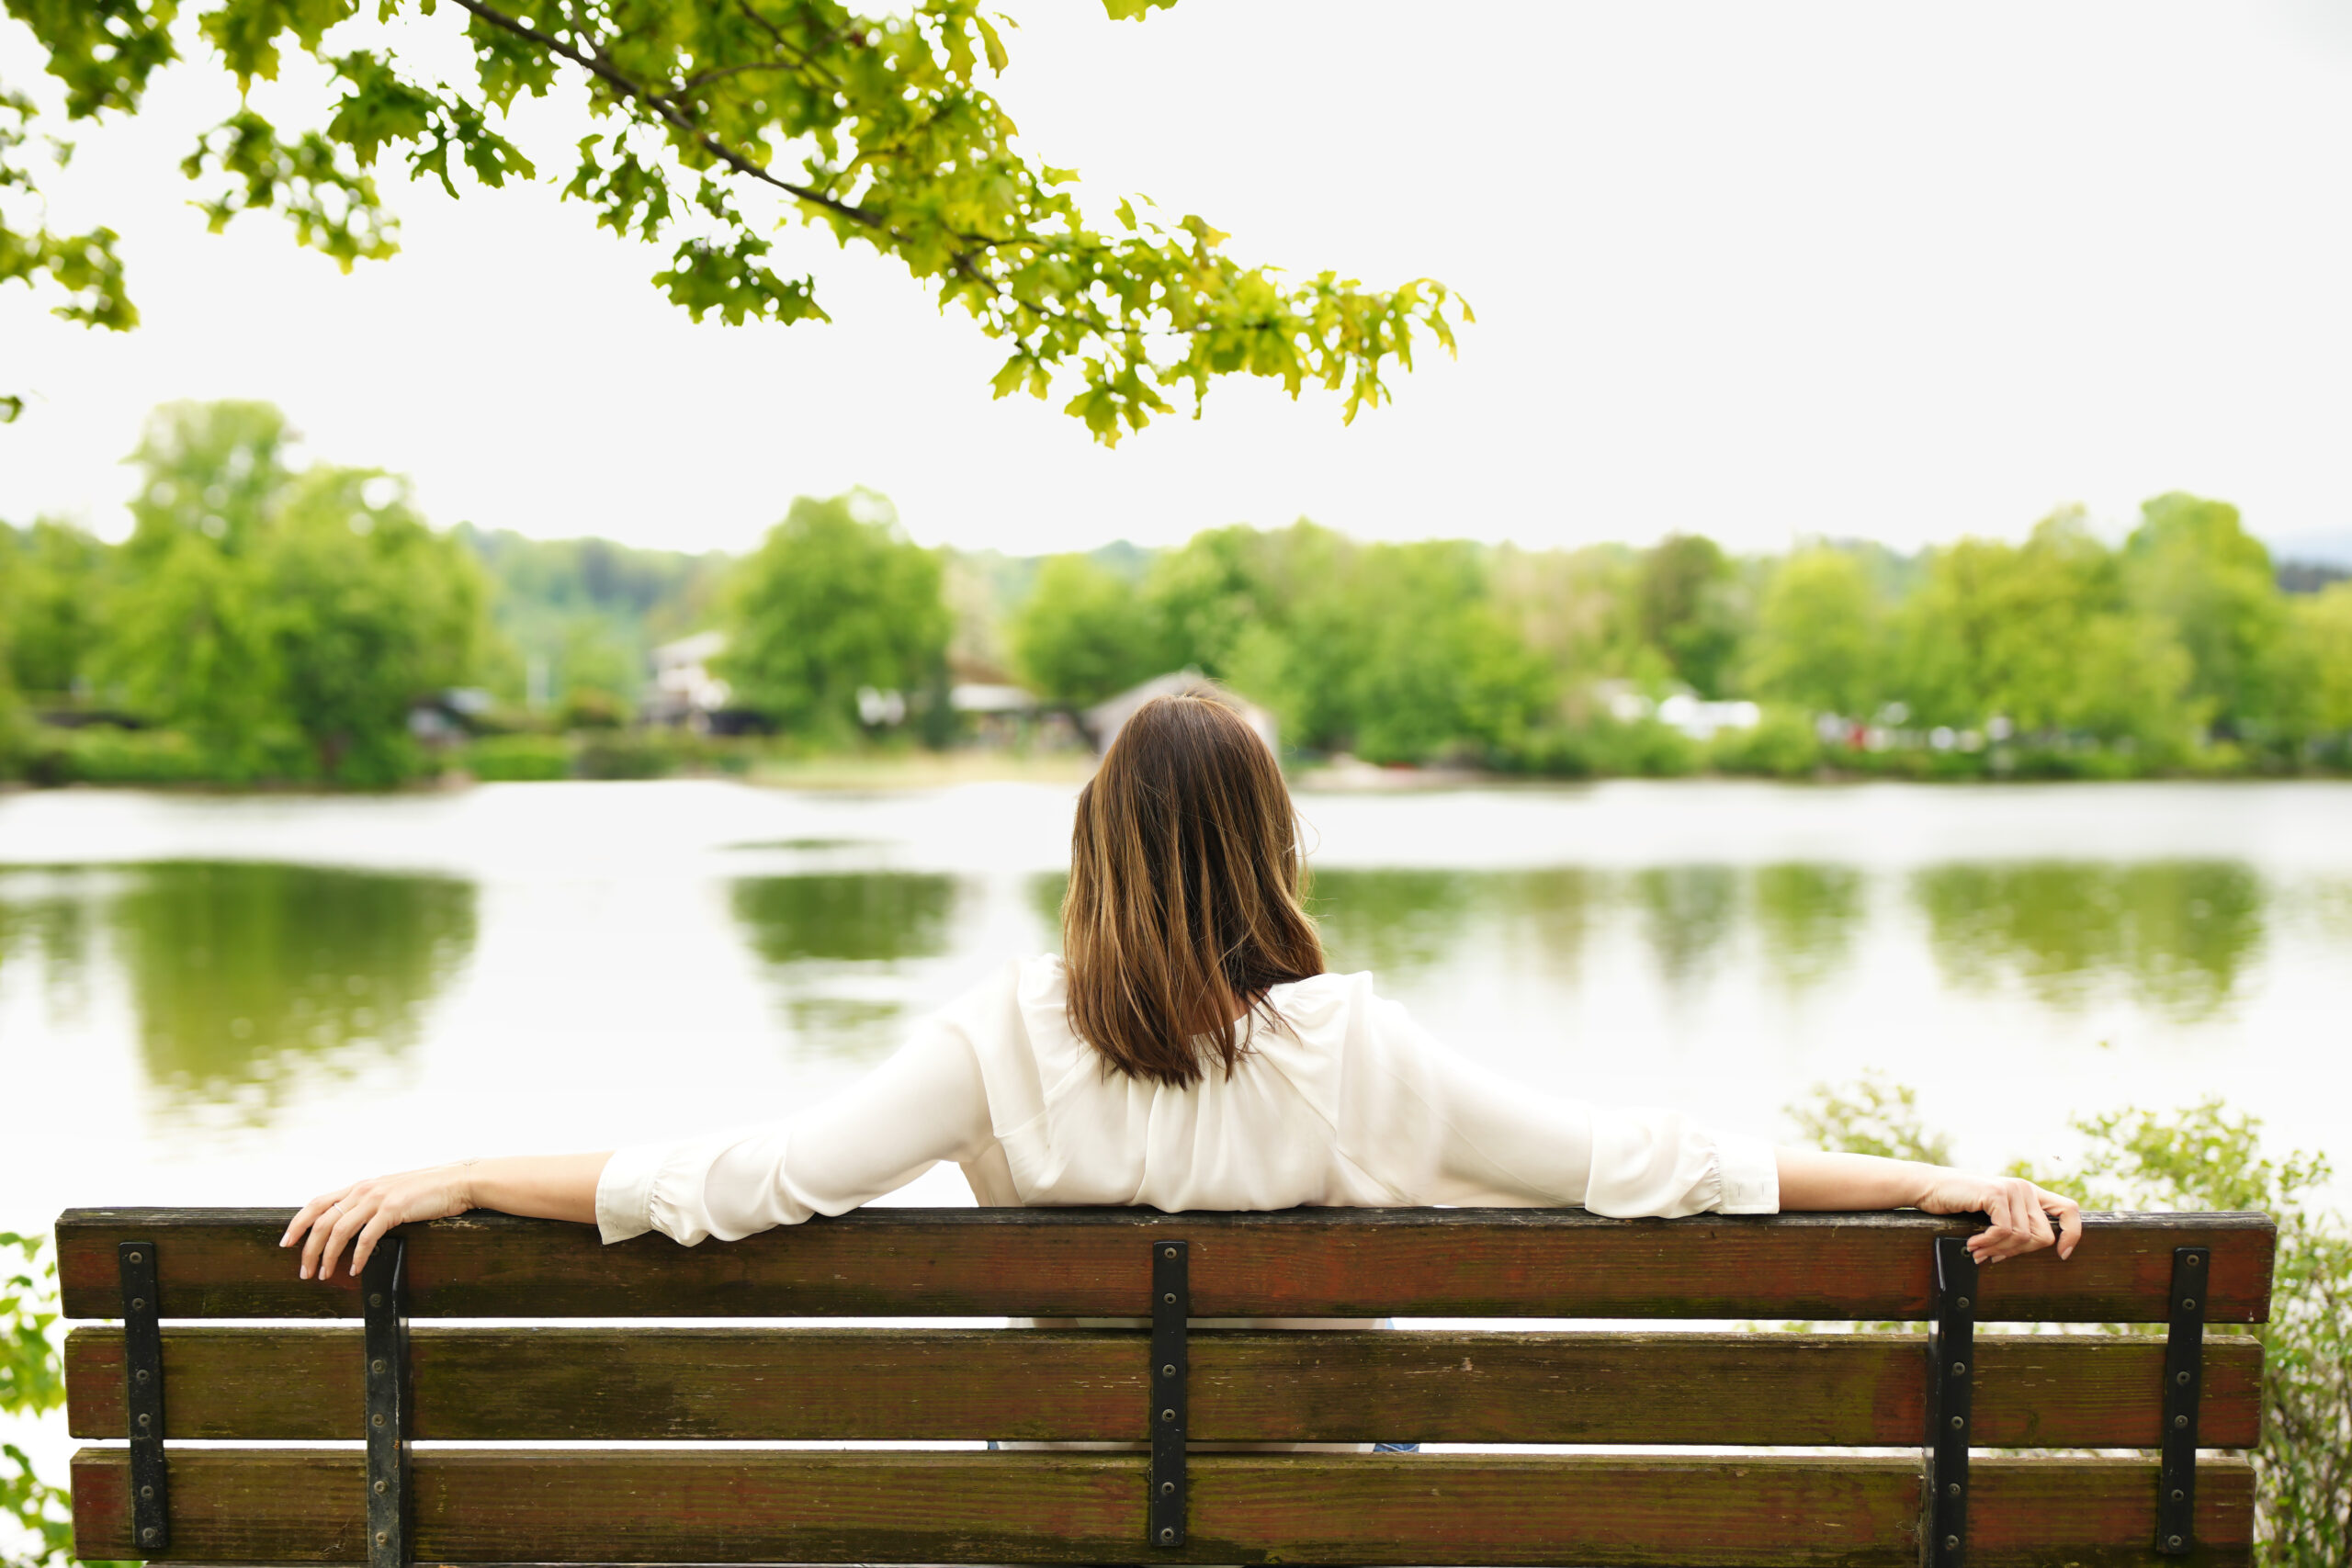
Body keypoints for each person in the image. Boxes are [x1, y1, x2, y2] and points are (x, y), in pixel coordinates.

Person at [283, 692, 2083, 1285]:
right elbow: (1660, 1159)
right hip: (1323, 1514)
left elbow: (735, 1186)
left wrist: (464, 1167)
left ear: (1093, 843)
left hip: (1040, 1506)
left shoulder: (996, 1038)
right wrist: (1925, 1177)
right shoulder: (1358, 1051)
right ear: (1273, 843)